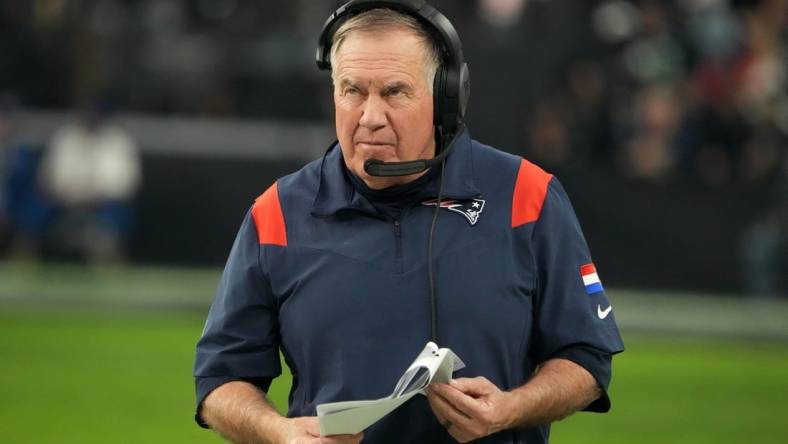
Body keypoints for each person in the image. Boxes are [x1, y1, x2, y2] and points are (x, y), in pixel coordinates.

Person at [194, 1, 624, 443]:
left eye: (394, 92)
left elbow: (586, 356)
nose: (371, 117)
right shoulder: (276, 213)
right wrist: (278, 432)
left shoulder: (527, 196)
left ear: (446, 97)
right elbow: (219, 381)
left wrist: (510, 409)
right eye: (352, 91)